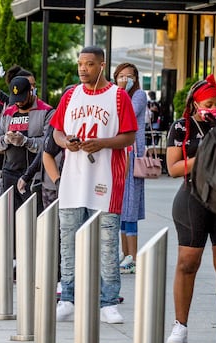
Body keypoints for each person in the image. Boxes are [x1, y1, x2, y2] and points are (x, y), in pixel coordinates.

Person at [51, 46, 137, 324]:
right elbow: (57, 132)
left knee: (108, 243)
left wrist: (101, 143)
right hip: (72, 182)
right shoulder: (70, 95)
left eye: (89, 64)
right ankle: (68, 299)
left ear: (102, 65)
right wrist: (67, 143)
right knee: (68, 244)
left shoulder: (119, 97)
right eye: (80, 63)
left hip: (105, 182)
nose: (83, 68)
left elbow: (128, 137)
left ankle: (108, 302)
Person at [165, 74, 216, 343]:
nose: (215, 108)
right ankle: (180, 326)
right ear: (196, 105)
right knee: (188, 263)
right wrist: (205, 156)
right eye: (210, 103)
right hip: (192, 199)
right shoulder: (182, 127)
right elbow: (173, 168)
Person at [0, 75, 54, 212]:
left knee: (33, 217)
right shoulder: (8, 111)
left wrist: (26, 141)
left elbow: (49, 143)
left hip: (33, 175)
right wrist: (6, 139)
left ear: (31, 91)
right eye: (16, 100)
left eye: (22, 98)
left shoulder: (46, 111)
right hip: (9, 173)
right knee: (10, 218)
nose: (19, 103)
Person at [114, 62, 147, 274]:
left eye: (130, 76)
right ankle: (125, 255)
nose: (125, 80)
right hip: (118, 153)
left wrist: (123, 90)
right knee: (120, 207)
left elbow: (128, 113)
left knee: (130, 207)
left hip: (133, 154)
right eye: (121, 76)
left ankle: (133, 257)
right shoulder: (114, 95)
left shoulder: (139, 95)